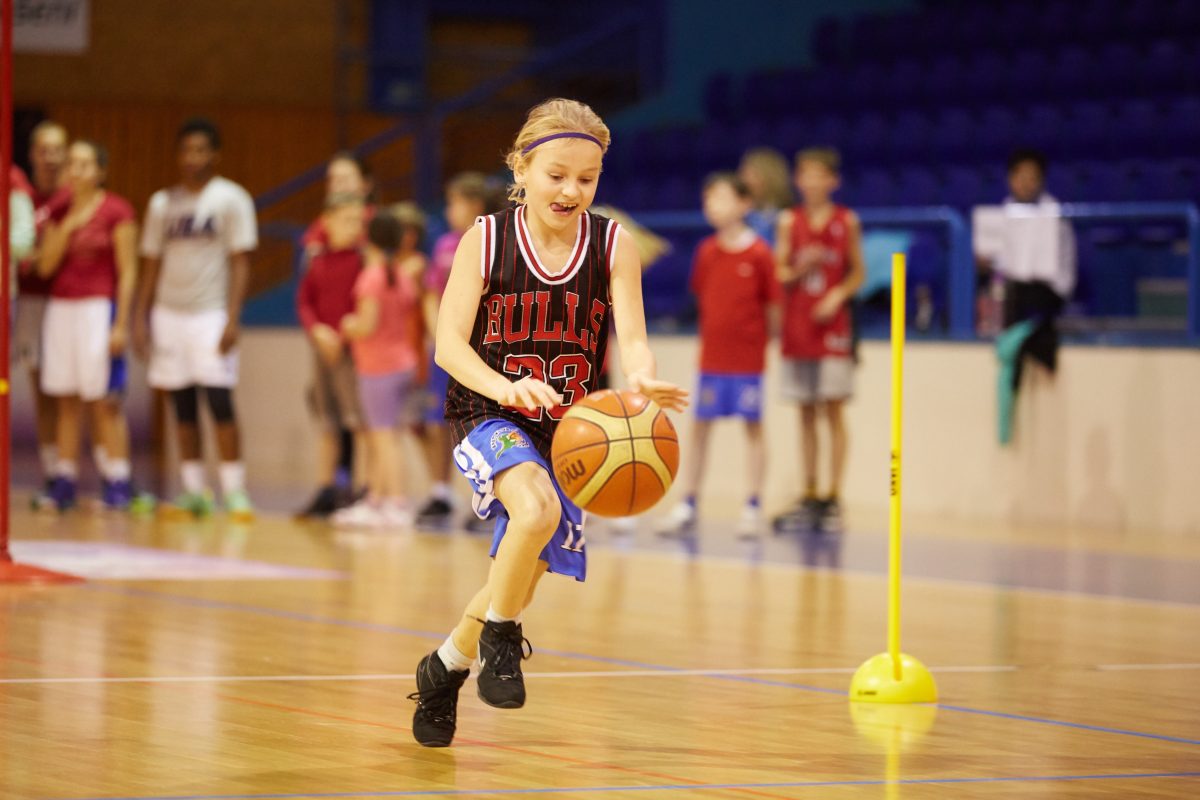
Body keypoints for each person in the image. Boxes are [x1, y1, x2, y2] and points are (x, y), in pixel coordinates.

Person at [406, 98, 687, 748]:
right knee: (534, 514)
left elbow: (634, 338)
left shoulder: (613, 244)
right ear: (521, 169)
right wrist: (506, 386)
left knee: (517, 574)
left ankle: (445, 667)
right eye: (556, 175)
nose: (570, 191)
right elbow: (448, 345)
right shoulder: (486, 239)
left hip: (569, 429)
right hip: (488, 409)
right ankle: (503, 639)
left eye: (586, 179)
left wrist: (642, 377)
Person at [133, 118, 258, 519]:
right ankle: (194, 491)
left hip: (211, 312)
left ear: (215, 155)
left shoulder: (231, 199)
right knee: (181, 404)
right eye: (186, 150)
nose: (193, 157)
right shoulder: (161, 204)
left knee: (220, 401)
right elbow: (150, 263)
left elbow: (241, 261)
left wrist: (233, 317)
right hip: (169, 313)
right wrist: (140, 316)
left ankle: (234, 491)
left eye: (201, 150)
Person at [658, 173, 779, 539]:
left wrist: (766, 344)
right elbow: (703, 297)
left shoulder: (759, 253)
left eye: (722, 197)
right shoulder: (707, 251)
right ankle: (688, 503)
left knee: (753, 428)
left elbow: (773, 306)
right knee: (699, 428)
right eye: (708, 198)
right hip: (711, 359)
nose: (713, 205)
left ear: (744, 204)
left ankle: (752, 505)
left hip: (747, 361)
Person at [36, 140, 139, 511]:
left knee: (102, 400)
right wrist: (67, 227)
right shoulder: (58, 210)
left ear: (100, 171)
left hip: (98, 308)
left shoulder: (117, 210)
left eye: (84, 164)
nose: (75, 171)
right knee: (66, 397)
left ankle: (118, 479)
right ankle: (64, 479)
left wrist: (121, 323)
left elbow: (128, 271)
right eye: (71, 164)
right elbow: (45, 267)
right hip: (62, 308)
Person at [772, 148, 864, 535]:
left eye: (818, 175)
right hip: (799, 325)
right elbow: (779, 271)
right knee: (806, 412)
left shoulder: (846, 221)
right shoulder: (788, 221)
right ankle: (809, 492)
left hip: (833, 327)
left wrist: (837, 295)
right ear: (798, 180)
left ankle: (833, 496)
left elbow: (858, 272)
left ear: (832, 180)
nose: (811, 182)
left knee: (834, 410)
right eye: (805, 175)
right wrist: (800, 268)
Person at [416, 171, 506, 530]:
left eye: (454, 203)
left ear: (475, 205)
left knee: (479, 423)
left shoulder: (493, 243)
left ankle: (489, 496)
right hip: (447, 350)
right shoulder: (444, 246)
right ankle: (440, 492)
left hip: (480, 352)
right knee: (438, 423)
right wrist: (440, 333)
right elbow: (430, 294)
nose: (448, 210)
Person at [334, 210, 425, 528]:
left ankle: (395, 502)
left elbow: (367, 324)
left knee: (383, 437)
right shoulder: (400, 274)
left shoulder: (372, 277)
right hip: (402, 363)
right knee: (385, 435)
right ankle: (375, 499)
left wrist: (348, 324)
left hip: (379, 368)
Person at [295, 193, 366, 517]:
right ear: (327, 221)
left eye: (358, 221)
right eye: (347, 220)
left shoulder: (362, 259)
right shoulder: (316, 258)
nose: (354, 227)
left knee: (357, 421)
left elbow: (364, 303)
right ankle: (325, 489)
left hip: (351, 352)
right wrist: (316, 331)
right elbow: (304, 300)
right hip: (323, 350)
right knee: (327, 422)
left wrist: (343, 335)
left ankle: (361, 491)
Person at [16, 121, 69, 506]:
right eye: (43, 149)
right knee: (41, 390)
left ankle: (76, 473)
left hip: (67, 303)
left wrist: (39, 256)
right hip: (28, 302)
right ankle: (52, 472)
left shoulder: (73, 198)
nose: (50, 157)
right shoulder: (21, 196)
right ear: (33, 153)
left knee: (68, 393)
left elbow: (49, 259)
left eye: (57, 149)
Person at [738, 147, 793, 246]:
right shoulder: (739, 213)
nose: (746, 180)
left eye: (753, 175)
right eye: (744, 174)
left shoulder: (785, 216)